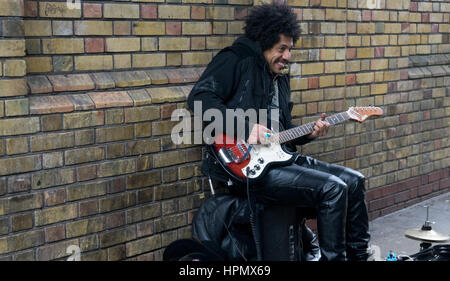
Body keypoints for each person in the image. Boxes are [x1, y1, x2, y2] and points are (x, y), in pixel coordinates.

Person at [187, 3, 370, 261]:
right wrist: (246, 128)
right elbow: (199, 100)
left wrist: (309, 133)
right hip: (243, 166)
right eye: (281, 49)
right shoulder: (235, 59)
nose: (287, 56)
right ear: (264, 43)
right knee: (332, 188)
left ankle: (359, 257)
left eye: (290, 49)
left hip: (278, 159)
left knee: (354, 181)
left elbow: (281, 134)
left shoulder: (280, 77)